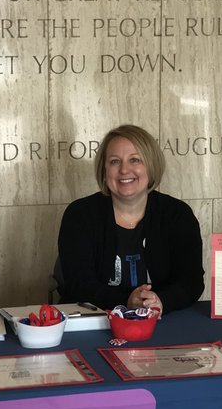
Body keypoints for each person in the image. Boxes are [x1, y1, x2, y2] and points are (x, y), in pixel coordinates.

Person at [57, 124, 204, 315]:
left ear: (151, 166)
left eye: (135, 160)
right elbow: (78, 283)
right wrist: (125, 302)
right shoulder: (80, 215)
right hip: (95, 320)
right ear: (104, 170)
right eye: (115, 161)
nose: (124, 170)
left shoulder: (177, 214)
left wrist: (161, 301)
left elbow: (191, 281)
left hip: (163, 321)